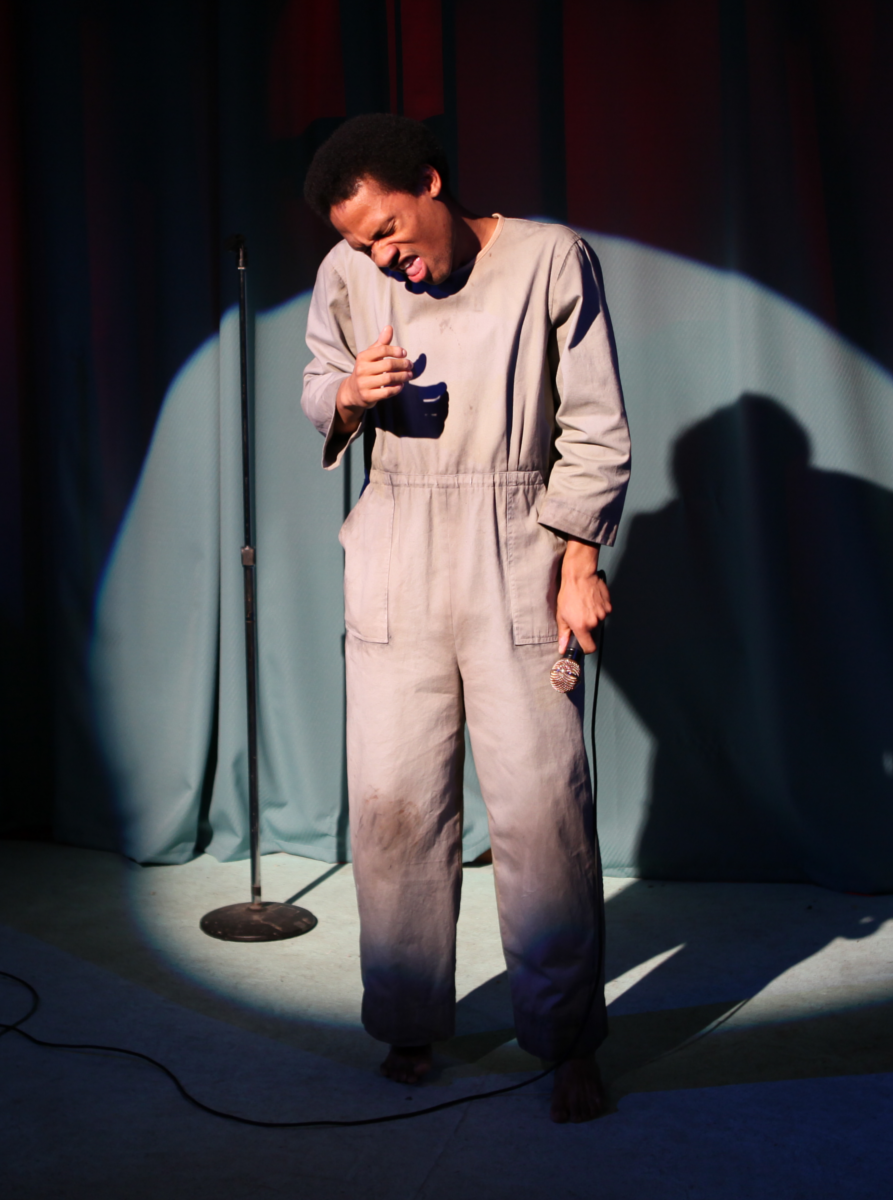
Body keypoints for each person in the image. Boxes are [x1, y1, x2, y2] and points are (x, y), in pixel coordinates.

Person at [299, 114, 630, 1123]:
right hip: (397, 542)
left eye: (389, 231)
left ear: (432, 183)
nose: (381, 258)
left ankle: (565, 1038)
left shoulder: (548, 260)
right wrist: (349, 395)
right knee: (394, 805)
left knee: (542, 812)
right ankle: (409, 1019)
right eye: (361, 244)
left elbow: (595, 424)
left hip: (516, 545)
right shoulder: (347, 274)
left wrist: (579, 561)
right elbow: (316, 385)